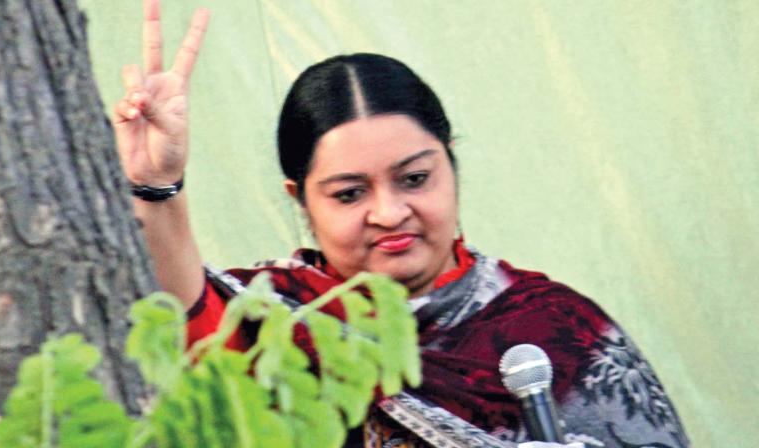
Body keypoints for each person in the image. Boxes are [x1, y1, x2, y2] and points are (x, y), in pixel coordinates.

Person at [113, 1, 690, 447]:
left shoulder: (558, 328)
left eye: (414, 179)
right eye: (349, 193)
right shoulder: (273, 325)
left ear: (451, 165)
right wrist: (155, 184)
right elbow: (179, 326)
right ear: (301, 200)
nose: (389, 213)